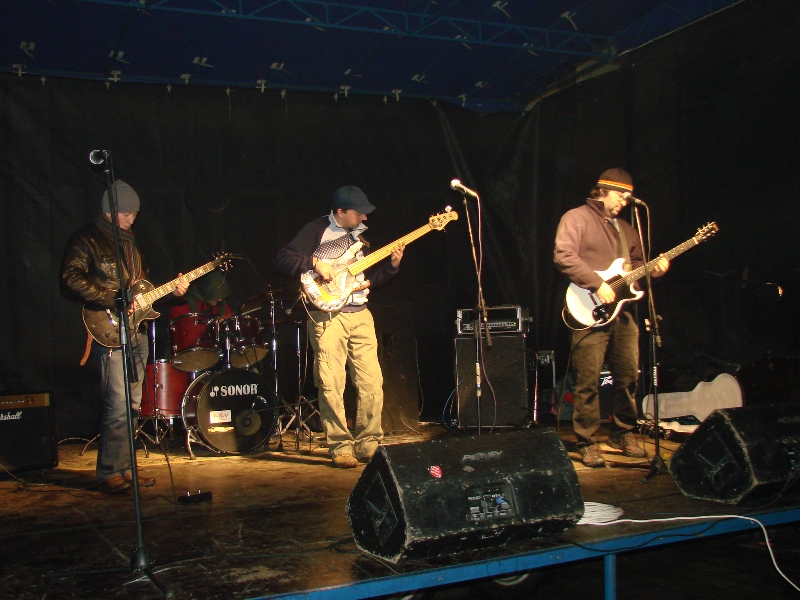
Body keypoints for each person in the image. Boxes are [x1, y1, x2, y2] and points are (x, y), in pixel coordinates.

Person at [61, 180, 189, 493]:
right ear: (110, 211)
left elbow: (141, 294)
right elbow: (70, 278)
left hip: (136, 331)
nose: (132, 218)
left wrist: (172, 294)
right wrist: (112, 299)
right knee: (117, 404)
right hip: (109, 327)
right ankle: (109, 472)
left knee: (132, 405)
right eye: (127, 213)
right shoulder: (87, 239)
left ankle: (126, 469)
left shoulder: (130, 244)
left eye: (135, 214)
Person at [273, 186, 404, 468]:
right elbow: (283, 259)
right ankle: (340, 446)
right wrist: (314, 263)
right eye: (359, 213)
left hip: (361, 313)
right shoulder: (316, 230)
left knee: (371, 381)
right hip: (328, 317)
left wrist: (391, 267)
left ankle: (369, 444)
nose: (364, 218)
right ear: (340, 212)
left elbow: (365, 280)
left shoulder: (360, 238)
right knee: (331, 382)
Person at [554, 168, 669, 468]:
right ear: (602, 190)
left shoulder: (627, 229)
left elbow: (637, 272)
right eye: (621, 195)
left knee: (628, 376)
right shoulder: (576, 218)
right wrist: (597, 284)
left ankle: (623, 433)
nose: (625, 201)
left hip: (623, 313)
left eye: (629, 197)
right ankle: (587, 441)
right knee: (588, 380)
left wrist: (654, 270)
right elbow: (564, 256)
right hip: (588, 309)